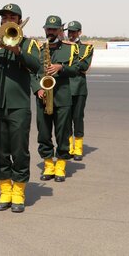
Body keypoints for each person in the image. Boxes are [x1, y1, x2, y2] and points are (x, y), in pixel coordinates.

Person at [0, 3, 40, 213]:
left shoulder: (29, 44)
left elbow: (35, 65)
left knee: (19, 150)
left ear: (19, 21)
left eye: (11, 17)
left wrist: (17, 49)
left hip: (18, 106)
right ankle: (5, 189)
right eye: (4, 17)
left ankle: (19, 191)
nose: (6, 20)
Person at [33, 15, 80, 183]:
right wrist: (37, 88)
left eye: (53, 29)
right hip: (43, 98)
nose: (50, 31)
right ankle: (48, 164)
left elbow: (77, 69)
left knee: (63, 133)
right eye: (47, 29)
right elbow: (32, 72)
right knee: (44, 134)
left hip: (62, 98)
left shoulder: (70, 48)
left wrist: (61, 68)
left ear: (60, 30)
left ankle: (60, 164)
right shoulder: (37, 48)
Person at [66, 20, 94, 161]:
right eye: (69, 31)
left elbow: (83, 65)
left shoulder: (86, 48)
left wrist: (65, 66)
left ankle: (78, 148)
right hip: (64, 88)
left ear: (79, 32)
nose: (71, 34)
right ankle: (69, 146)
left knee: (77, 118)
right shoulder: (62, 47)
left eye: (74, 32)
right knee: (65, 119)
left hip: (78, 88)